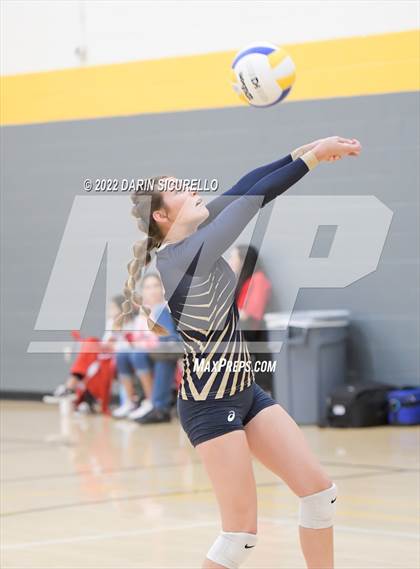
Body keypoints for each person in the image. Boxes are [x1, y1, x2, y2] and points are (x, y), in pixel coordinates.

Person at [114, 136, 361, 569]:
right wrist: (314, 159)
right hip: (209, 405)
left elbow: (247, 182)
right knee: (240, 535)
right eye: (178, 189)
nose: (192, 188)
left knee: (321, 495)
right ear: (161, 215)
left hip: (245, 391)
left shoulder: (199, 238)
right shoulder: (182, 257)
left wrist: (302, 151)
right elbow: (253, 198)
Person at [112, 272, 180, 423]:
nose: (153, 290)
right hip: (150, 349)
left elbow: (168, 336)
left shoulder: (165, 309)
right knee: (122, 354)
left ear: (163, 289)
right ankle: (130, 402)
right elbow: (138, 337)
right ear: (143, 292)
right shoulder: (144, 312)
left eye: (156, 286)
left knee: (140, 353)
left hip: (167, 347)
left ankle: (153, 402)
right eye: (148, 287)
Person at [229, 244, 273, 393]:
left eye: (233, 258)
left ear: (243, 261)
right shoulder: (242, 282)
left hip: (252, 335)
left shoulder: (258, 279)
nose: (230, 262)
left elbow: (249, 314)